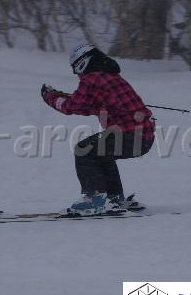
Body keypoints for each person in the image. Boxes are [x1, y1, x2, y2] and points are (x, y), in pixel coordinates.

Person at [41, 44, 155, 216]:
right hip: (143, 138)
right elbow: (88, 106)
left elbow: (72, 106)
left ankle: (95, 199)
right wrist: (60, 96)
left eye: (75, 69)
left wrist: (50, 98)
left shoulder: (92, 78)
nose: (76, 74)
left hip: (130, 135)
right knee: (101, 153)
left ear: (82, 62)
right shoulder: (109, 76)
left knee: (84, 150)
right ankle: (114, 199)